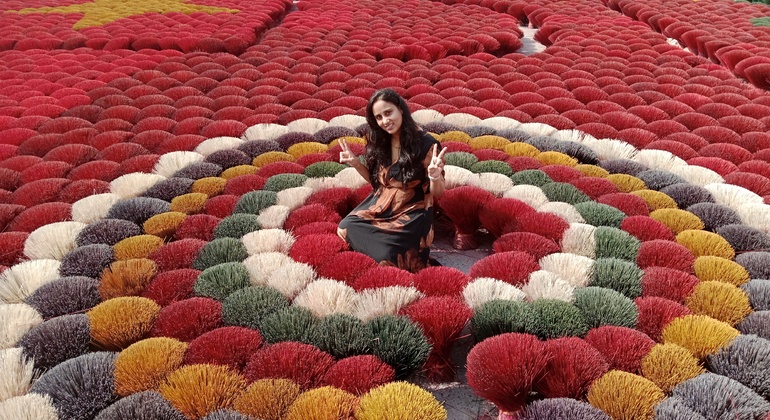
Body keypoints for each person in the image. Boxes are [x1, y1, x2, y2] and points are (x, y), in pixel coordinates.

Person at [336, 88, 448, 273]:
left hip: (411, 212)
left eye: (388, 113)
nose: (385, 121)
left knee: (389, 256)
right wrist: (356, 163)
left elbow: (438, 192)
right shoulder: (380, 140)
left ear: (401, 109)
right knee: (345, 227)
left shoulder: (427, 144)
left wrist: (434, 176)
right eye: (379, 117)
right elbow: (377, 183)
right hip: (381, 206)